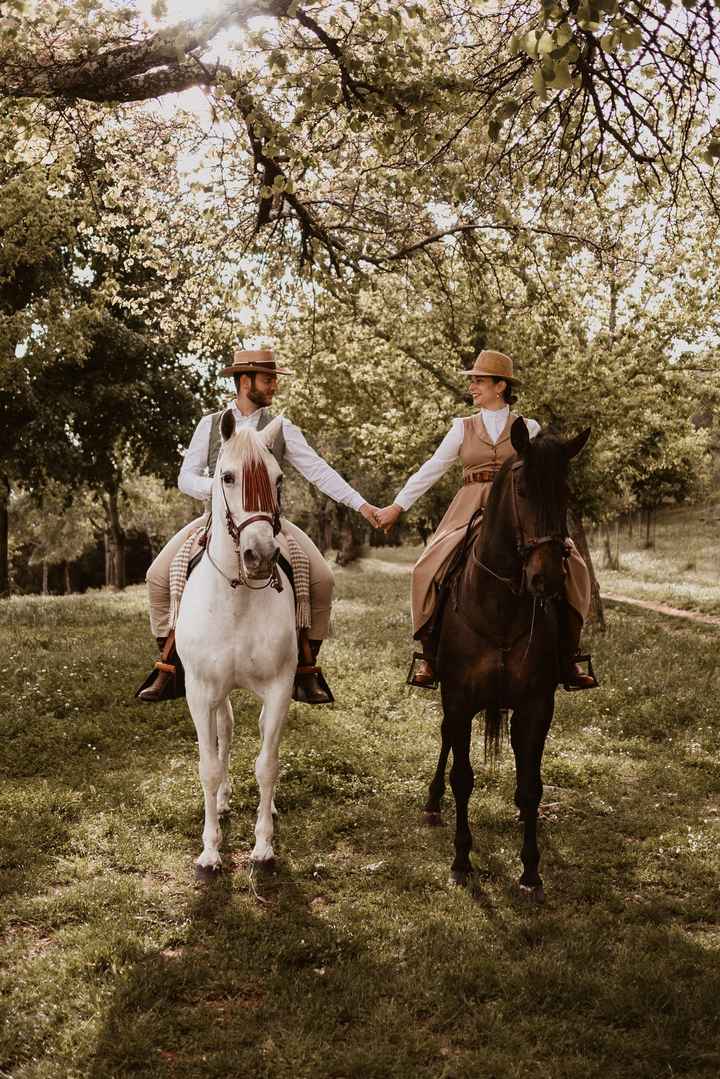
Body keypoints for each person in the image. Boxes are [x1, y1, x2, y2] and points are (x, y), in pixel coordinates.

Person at [138, 348, 380, 704]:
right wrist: (218, 488)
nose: (274, 386)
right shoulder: (210, 425)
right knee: (158, 577)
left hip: (269, 523)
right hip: (217, 520)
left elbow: (318, 471)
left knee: (323, 580)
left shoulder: (281, 428)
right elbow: (185, 477)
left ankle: (306, 669)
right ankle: (170, 665)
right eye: (269, 379)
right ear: (245, 380)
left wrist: (361, 504)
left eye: (274, 379)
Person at [376, 350, 595, 689]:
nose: (473, 386)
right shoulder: (462, 428)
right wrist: (397, 506)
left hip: (519, 506)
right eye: (473, 381)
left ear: (500, 386)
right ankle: (429, 655)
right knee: (425, 566)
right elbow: (432, 468)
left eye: (479, 381)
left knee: (575, 566)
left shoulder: (529, 427)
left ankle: (570, 656)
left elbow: (544, 475)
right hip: (470, 504)